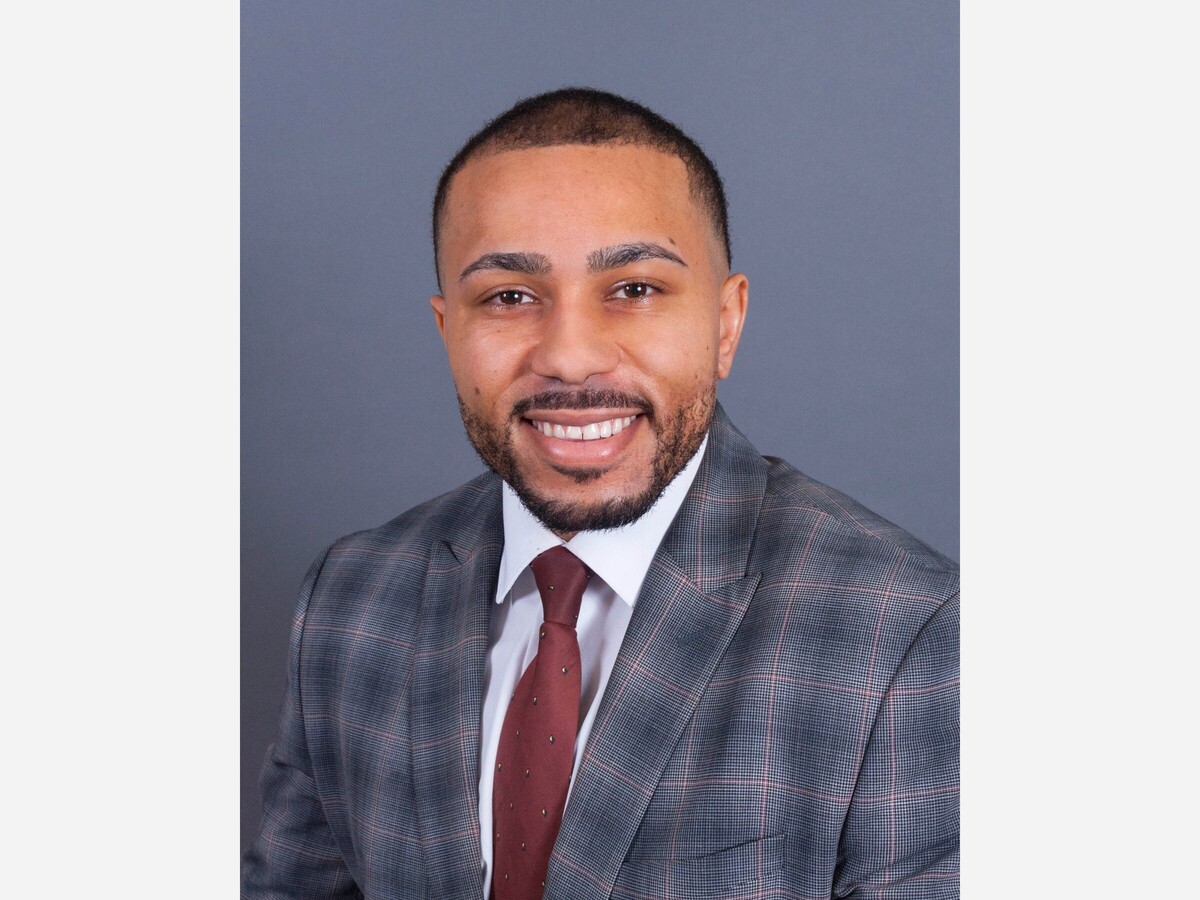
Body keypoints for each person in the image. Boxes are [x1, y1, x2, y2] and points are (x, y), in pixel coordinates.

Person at [242, 87, 958, 899]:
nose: (571, 357)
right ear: (448, 332)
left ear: (726, 325)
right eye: (509, 297)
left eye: (635, 289)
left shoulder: (914, 635)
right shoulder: (351, 600)